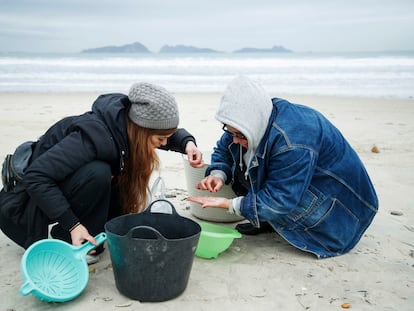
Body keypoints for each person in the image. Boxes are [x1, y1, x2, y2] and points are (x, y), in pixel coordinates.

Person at [0, 82, 203, 262]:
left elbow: (165, 132)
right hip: (23, 209)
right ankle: (66, 236)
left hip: (61, 189)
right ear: (142, 130)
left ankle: (90, 232)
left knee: (113, 175)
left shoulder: (125, 125)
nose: (165, 144)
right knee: (99, 172)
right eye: (160, 140)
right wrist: (73, 225)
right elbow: (37, 176)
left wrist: (187, 144)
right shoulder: (92, 136)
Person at [188, 76, 378, 258]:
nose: (236, 139)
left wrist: (229, 204)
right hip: (297, 185)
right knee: (240, 156)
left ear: (253, 122)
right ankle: (266, 219)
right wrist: (218, 174)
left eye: (240, 135)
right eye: (231, 132)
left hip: (340, 217)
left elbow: (281, 198)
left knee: (277, 194)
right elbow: (224, 147)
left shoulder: (292, 142)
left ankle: (269, 216)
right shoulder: (247, 122)